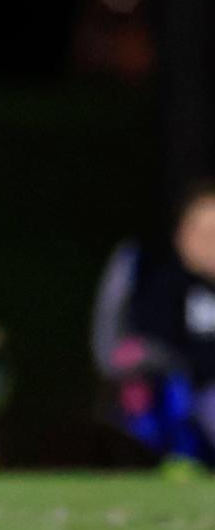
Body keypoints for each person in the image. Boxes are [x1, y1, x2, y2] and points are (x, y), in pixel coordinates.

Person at [92, 180, 215, 473]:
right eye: (205, 234)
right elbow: (116, 350)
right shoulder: (154, 280)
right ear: (182, 233)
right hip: (170, 400)